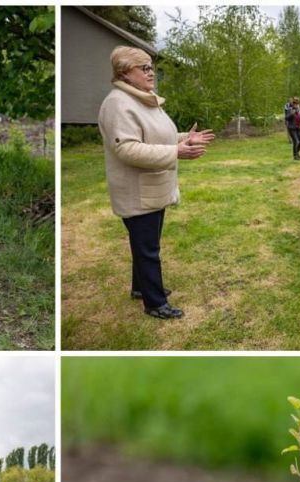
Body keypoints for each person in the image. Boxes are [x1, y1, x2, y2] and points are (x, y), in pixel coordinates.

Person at [98, 45, 215, 319]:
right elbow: (127, 149)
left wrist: (184, 139)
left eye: (151, 67)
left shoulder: (142, 99)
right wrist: (176, 152)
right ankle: (155, 303)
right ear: (125, 73)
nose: (152, 73)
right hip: (137, 191)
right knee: (148, 249)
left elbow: (155, 138)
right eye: (145, 68)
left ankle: (140, 287)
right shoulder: (118, 103)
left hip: (152, 188)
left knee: (145, 244)